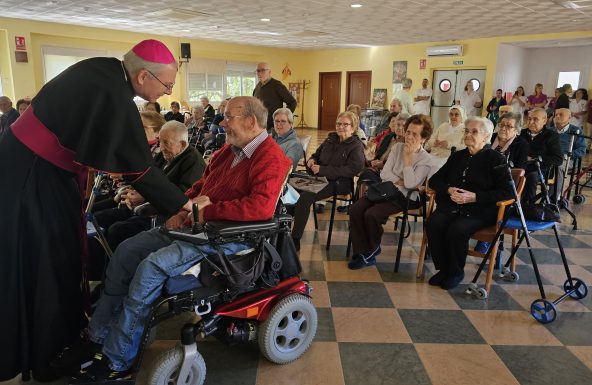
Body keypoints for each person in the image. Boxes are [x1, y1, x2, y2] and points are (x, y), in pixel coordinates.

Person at [54, 96, 292, 382]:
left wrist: (205, 212)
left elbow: (260, 208)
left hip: (230, 239)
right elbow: (200, 187)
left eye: (229, 116)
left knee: (149, 269)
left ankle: (119, 360)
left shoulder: (272, 157)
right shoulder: (229, 151)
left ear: (251, 121)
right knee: (127, 251)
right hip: (198, 226)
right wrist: (183, 207)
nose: (222, 121)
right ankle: (97, 337)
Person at [0, 39, 195, 382]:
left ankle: (52, 345)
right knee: (47, 263)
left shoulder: (102, 72)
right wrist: (182, 206)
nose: (166, 93)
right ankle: (45, 354)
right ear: (143, 76)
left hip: (35, 170)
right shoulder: (112, 92)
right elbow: (141, 170)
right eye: (165, 85)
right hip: (34, 179)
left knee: (54, 260)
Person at [426, 117, 513, 290]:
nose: (468, 134)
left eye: (474, 132)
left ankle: (456, 272)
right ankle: (443, 270)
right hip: (454, 206)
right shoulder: (457, 156)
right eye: (467, 131)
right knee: (434, 223)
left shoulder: (496, 159)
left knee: (457, 229)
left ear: (486, 136)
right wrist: (449, 190)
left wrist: (474, 197)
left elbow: (508, 192)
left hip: (481, 209)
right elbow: (435, 180)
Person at [96, 120, 206, 251]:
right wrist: (134, 193)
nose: (162, 147)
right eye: (160, 141)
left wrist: (144, 197)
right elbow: (148, 178)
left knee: (116, 230)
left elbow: (182, 197)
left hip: (160, 215)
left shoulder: (193, 161)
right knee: (98, 218)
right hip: (142, 206)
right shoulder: (163, 155)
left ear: (182, 144)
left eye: (167, 143)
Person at [348, 115, 433, 269]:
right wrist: (401, 180)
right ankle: (363, 250)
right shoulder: (397, 147)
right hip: (386, 190)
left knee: (372, 214)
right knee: (355, 208)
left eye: (415, 134)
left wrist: (407, 159)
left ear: (423, 138)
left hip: (407, 197)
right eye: (408, 132)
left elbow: (410, 184)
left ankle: (372, 250)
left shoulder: (426, 159)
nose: (409, 136)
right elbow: (384, 174)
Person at [290, 111, 365, 249]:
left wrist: (323, 170)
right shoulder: (331, 138)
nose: (341, 127)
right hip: (319, 179)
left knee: (305, 197)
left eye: (345, 124)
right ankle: (285, 231)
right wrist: (312, 160)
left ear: (353, 128)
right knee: (290, 189)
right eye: (338, 123)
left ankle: (294, 239)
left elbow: (352, 170)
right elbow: (316, 154)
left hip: (339, 184)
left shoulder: (356, 146)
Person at [518, 108, 563, 204]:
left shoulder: (551, 136)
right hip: (520, 166)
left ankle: (528, 206)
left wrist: (534, 159)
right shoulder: (521, 134)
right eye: (529, 119)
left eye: (535, 119)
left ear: (544, 121)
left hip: (540, 169)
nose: (531, 122)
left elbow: (558, 159)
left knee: (531, 177)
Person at [362, 112, 410, 186]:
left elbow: (400, 165)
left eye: (403, 126)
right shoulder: (388, 137)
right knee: (364, 175)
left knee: (367, 175)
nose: (400, 128)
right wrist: (373, 160)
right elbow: (379, 154)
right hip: (378, 169)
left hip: (391, 174)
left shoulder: (407, 143)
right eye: (398, 124)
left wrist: (383, 164)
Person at [253, 62, 296, 130]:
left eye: (263, 70)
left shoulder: (277, 85)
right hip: (260, 126)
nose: (260, 73)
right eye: (258, 70)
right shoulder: (257, 87)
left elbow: (292, 102)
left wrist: (284, 118)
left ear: (269, 72)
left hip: (274, 127)